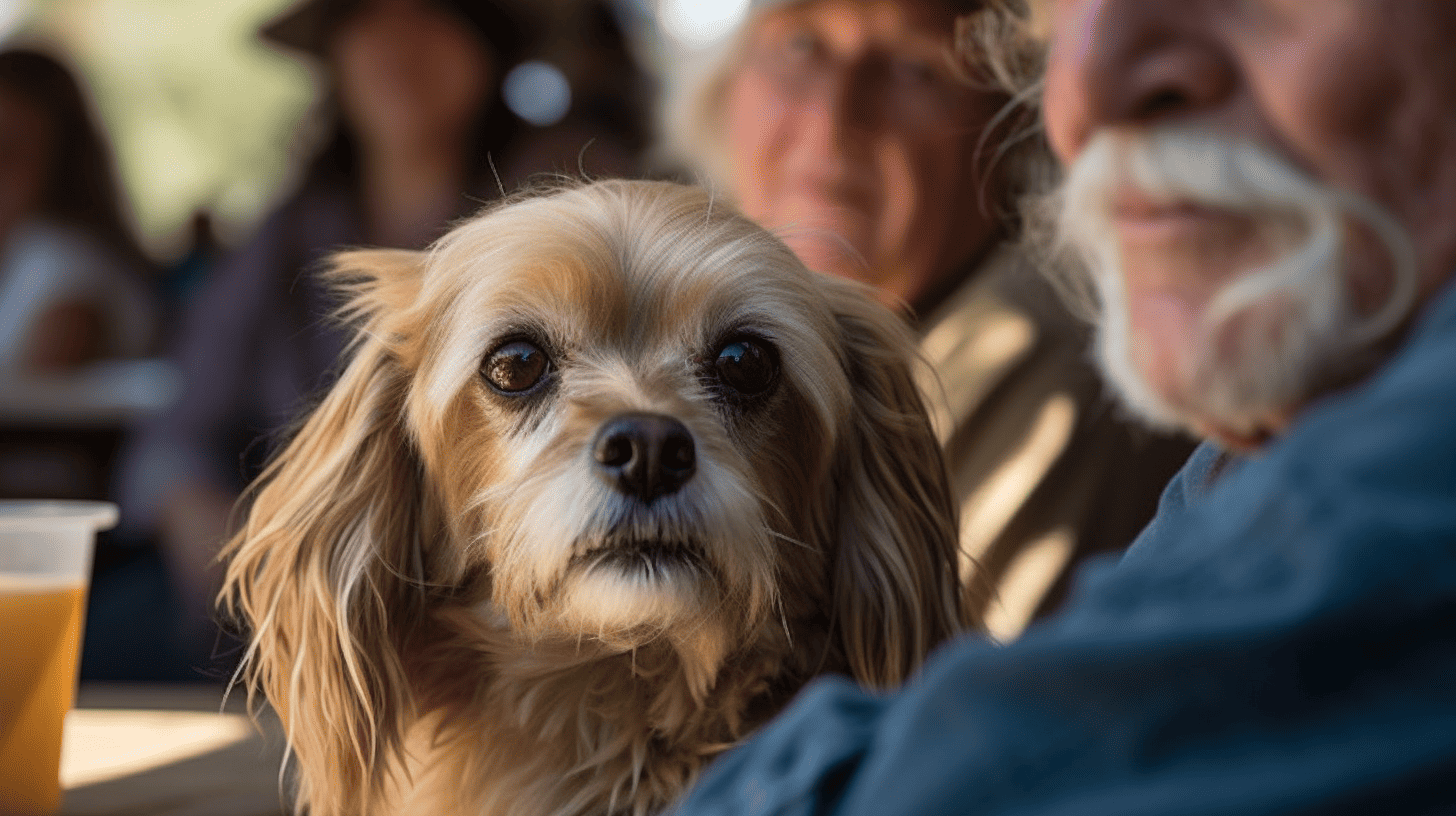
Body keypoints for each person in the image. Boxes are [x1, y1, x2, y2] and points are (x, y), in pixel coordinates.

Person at [667, 0, 1456, 812]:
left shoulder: (1030, 343)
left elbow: (967, 776)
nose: (1089, 86)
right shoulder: (1261, 437)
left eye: (917, 68)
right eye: (1061, 8)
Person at [662, 0, 1194, 637]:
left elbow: (952, 713)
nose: (831, 120)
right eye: (803, 47)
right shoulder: (715, 334)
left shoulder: (1033, 346)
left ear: (1013, 126)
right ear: (728, 85)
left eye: (916, 70)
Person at [109, 0, 535, 678]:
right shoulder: (288, 235)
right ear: (336, 58)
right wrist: (206, 520)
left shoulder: (555, 227)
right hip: (270, 613)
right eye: (370, 22)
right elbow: (180, 426)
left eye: (433, 16)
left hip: (497, 618)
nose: (400, 46)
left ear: (488, 49)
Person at [0, 48, 154, 373]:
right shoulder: (29, 261)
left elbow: (35, 417)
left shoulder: (65, 273)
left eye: (10, 151)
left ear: (63, 162)